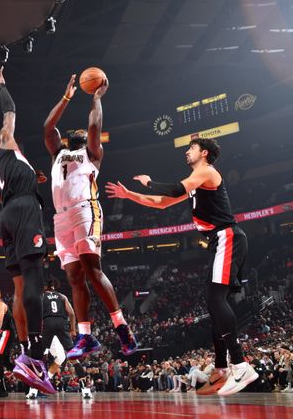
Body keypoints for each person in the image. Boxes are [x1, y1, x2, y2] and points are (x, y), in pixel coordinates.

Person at [105, 137, 258, 396]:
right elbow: (161, 203)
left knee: (215, 299)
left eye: (192, 148)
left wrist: (150, 182)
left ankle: (241, 364)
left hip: (227, 236)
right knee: (213, 302)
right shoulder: (196, 180)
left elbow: (174, 190)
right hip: (218, 240)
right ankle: (221, 368)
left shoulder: (206, 171)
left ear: (204, 152)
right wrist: (129, 195)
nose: (187, 152)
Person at [43, 73, 138, 358]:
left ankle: (122, 328)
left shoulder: (92, 154)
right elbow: (48, 128)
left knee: (92, 270)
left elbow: (94, 125)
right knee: (73, 276)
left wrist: (96, 98)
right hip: (61, 218)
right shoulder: (58, 153)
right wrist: (66, 97)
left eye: (82, 134)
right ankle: (85, 336)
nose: (80, 133)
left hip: (86, 210)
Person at [0, 64, 54, 394]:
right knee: (35, 278)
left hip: (6, 214)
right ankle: (36, 355)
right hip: (23, 210)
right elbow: (11, 110)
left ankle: (22, 350)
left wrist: (28, 177)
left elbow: (3, 192)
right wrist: (1, 85)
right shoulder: (5, 140)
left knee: (20, 290)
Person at [26, 277, 86, 399]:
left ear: (44, 287)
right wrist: (73, 329)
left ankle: (34, 389)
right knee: (71, 356)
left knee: (39, 356)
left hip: (47, 325)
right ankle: (86, 389)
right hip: (62, 324)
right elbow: (72, 313)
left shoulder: (41, 297)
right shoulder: (62, 296)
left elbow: (35, 315)